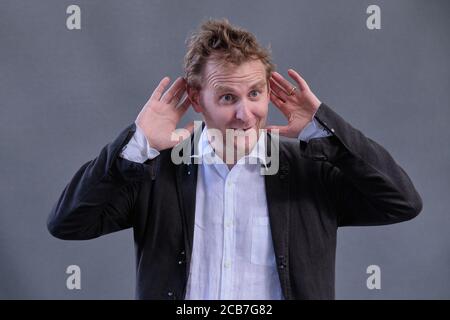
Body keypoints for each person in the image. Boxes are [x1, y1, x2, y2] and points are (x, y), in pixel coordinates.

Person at [47, 18, 422, 300]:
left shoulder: (313, 172)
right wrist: (136, 144)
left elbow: (401, 202)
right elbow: (68, 223)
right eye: (228, 97)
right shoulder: (155, 172)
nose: (246, 114)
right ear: (197, 101)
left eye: (255, 94)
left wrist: (328, 131)